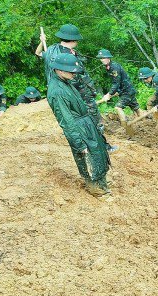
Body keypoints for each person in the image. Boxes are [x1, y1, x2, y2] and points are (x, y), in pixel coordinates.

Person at [47, 53, 112, 198]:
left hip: (85, 123)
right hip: (78, 128)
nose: (74, 74)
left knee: (98, 152)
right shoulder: (57, 91)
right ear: (60, 70)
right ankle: (96, 189)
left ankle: (102, 182)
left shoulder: (65, 81)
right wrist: (79, 143)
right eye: (71, 71)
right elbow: (66, 121)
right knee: (87, 157)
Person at [39, 24, 101, 126]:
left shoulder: (52, 49)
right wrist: (91, 91)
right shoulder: (64, 56)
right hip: (78, 93)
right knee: (92, 121)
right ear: (74, 40)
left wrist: (41, 42)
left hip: (72, 93)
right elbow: (78, 78)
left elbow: (38, 53)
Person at [97, 49, 139, 118]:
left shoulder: (114, 67)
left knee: (118, 108)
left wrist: (109, 94)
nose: (102, 60)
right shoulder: (108, 67)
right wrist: (115, 92)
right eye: (101, 58)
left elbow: (116, 83)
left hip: (127, 91)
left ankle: (126, 125)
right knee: (136, 109)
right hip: (125, 91)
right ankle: (148, 120)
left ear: (108, 58)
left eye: (104, 58)